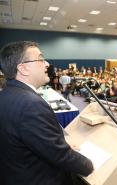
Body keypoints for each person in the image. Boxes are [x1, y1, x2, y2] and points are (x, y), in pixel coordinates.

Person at [0, 41, 93, 185]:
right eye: (41, 59)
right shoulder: (31, 104)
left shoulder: (7, 94)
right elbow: (61, 156)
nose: (47, 64)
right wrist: (89, 165)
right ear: (23, 68)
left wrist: (59, 143)